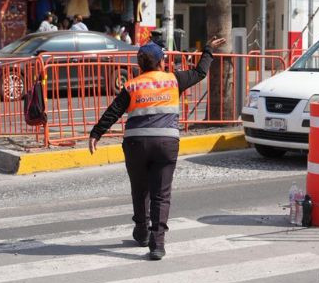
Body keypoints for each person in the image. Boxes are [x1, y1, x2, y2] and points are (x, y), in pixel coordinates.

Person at [89, 37, 226, 260]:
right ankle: (157, 243)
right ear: (162, 63)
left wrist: (96, 134)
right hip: (166, 143)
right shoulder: (174, 80)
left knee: (140, 189)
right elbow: (201, 72)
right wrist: (208, 48)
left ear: (139, 66)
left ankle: (142, 232)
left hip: (135, 145)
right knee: (161, 194)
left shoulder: (132, 85)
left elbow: (114, 111)